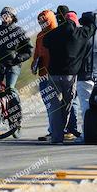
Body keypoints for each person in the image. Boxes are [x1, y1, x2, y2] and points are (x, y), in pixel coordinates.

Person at [43, 5, 96, 144]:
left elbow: (45, 41)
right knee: (67, 105)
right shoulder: (81, 34)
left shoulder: (54, 34)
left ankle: (56, 137)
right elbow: (91, 28)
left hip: (53, 75)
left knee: (54, 106)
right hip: (70, 76)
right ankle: (63, 131)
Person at [0, 7, 33, 137]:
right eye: (2, 15)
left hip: (13, 67)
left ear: (13, 17)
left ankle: (15, 125)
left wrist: (18, 58)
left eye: (7, 15)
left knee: (11, 91)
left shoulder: (18, 31)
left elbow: (29, 50)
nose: (5, 17)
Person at [75, 13, 97, 143]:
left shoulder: (86, 37)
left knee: (86, 108)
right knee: (96, 107)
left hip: (86, 75)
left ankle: (88, 134)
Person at [31, 10, 57, 141]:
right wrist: (34, 64)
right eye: (40, 22)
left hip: (54, 75)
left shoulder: (57, 34)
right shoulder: (40, 35)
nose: (42, 24)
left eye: (44, 21)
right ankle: (52, 129)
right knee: (47, 103)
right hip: (42, 74)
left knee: (55, 104)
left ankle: (58, 130)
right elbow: (36, 52)